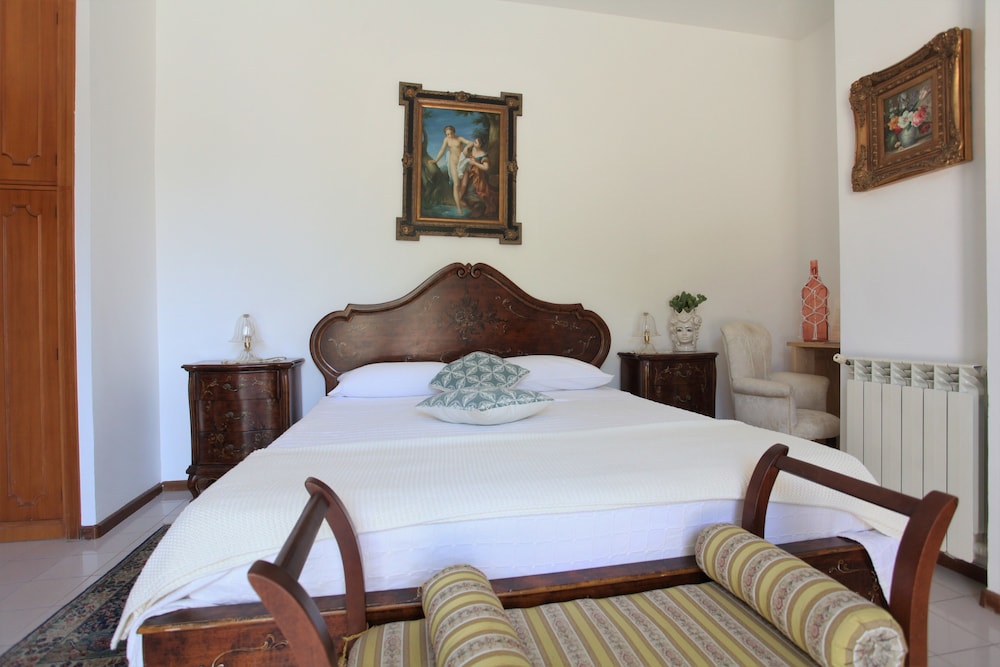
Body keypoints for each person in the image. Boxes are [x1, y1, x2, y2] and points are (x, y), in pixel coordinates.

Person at [430, 125, 473, 215]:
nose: (449, 135)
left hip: (462, 162)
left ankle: (459, 199)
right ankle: (459, 208)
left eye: (451, 133)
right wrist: (436, 160)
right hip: (453, 162)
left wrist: (466, 147)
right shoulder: (446, 140)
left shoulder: (459, 138)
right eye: (447, 134)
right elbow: (442, 150)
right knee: (456, 184)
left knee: (464, 184)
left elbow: (470, 143)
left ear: (454, 132)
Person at [458, 134, 498, 219]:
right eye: (474, 141)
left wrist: (475, 163)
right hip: (468, 172)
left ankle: (476, 207)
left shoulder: (483, 155)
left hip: (477, 177)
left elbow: (486, 168)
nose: (473, 143)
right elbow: (463, 155)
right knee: (463, 185)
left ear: (480, 145)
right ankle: (460, 200)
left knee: (472, 192)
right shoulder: (471, 149)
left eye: (475, 142)